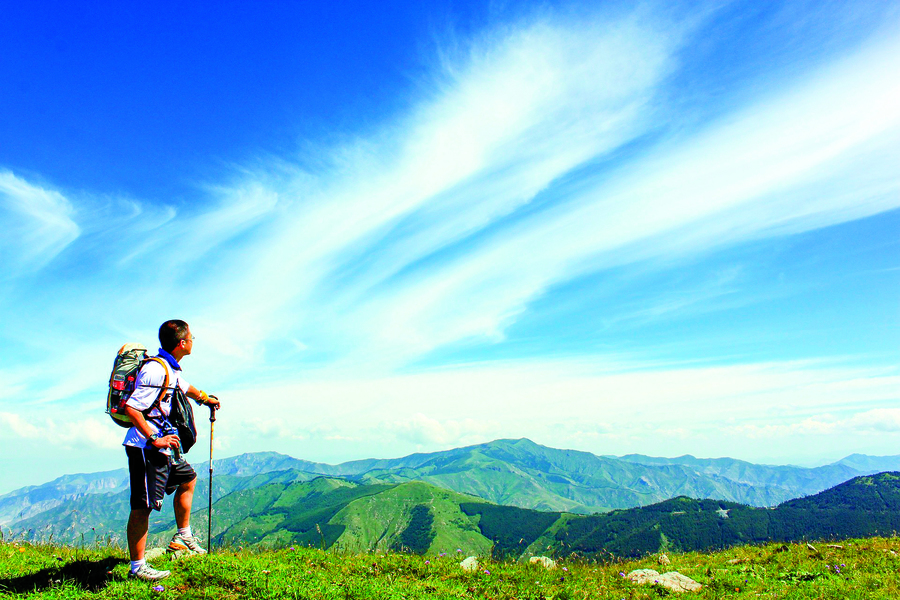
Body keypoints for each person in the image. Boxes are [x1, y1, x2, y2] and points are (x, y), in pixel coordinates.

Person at [123, 320, 221, 581]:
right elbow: (133, 408)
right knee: (143, 506)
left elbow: (183, 386)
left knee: (188, 478)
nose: (193, 339)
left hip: (163, 448)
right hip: (146, 447)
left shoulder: (170, 368)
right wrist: (155, 437)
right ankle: (138, 567)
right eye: (191, 337)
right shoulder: (155, 370)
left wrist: (205, 398)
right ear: (182, 343)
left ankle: (183, 536)